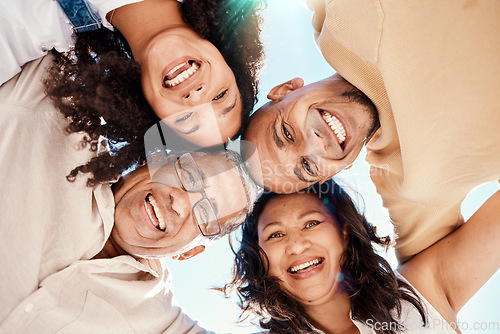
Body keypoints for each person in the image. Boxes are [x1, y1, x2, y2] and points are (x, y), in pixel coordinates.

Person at [0, 55, 259, 332]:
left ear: (189, 253)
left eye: (205, 215)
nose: (181, 203)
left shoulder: (162, 324)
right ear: (152, 160)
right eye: (189, 174)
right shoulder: (60, 105)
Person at [242, 0, 500, 261]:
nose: (314, 145)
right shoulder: (409, 186)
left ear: (287, 90)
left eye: (286, 133)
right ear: (334, 172)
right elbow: (439, 283)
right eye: (308, 167)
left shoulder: (333, 12)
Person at [1, 0, 265, 183]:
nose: (195, 96)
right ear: (229, 59)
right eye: (220, 97)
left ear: (150, 111)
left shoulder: (25, 29)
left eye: (187, 120)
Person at [225, 180, 500, 333]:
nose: (296, 245)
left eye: (311, 223)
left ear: (344, 233)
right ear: (260, 260)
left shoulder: (420, 289)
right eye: (275, 235)